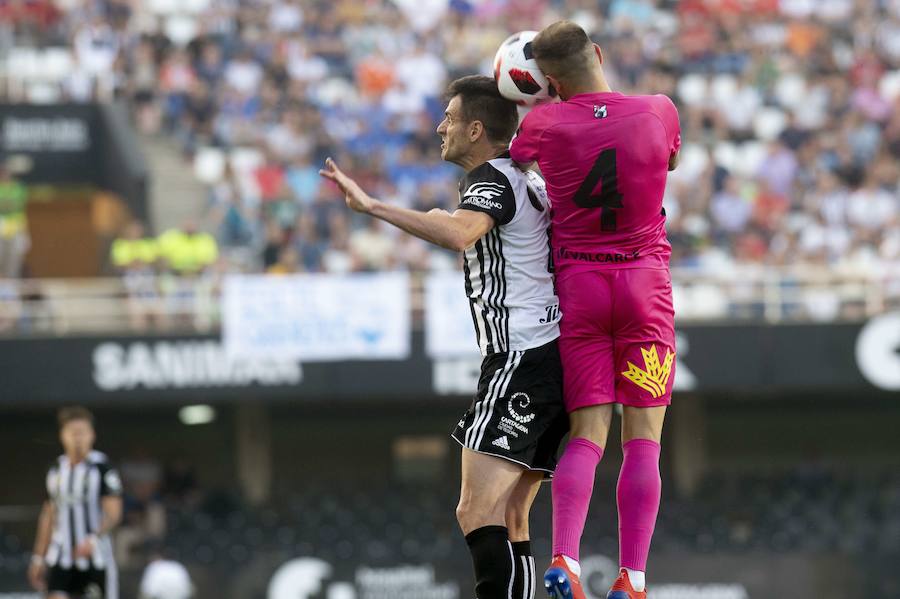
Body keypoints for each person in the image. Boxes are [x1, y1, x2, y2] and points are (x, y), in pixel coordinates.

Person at [320, 75, 568, 599]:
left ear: (476, 129)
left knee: (475, 509)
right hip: (550, 355)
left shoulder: (495, 178)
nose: (440, 127)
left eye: (450, 119)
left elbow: (461, 233)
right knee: (513, 515)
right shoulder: (525, 178)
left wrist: (374, 207)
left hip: (521, 357)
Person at [509, 21, 681, 599]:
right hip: (644, 287)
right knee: (644, 439)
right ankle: (632, 579)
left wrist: (542, 101)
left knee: (586, 435)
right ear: (600, 54)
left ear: (550, 82)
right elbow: (670, 163)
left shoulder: (542, 121)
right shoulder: (658, 110)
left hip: (581, 287)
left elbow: (520, 157)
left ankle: (565, 561)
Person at [28, 407, 124, 599]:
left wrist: (93, 538)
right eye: (73, 433)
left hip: (95, 558)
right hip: (60, 557)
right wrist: (38, 557)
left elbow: (113, 513)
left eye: (82, 432)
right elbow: (48, 515)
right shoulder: (55, 471)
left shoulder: (103, 468)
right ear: (62, 435)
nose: (78, 438)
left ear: (92, 435)